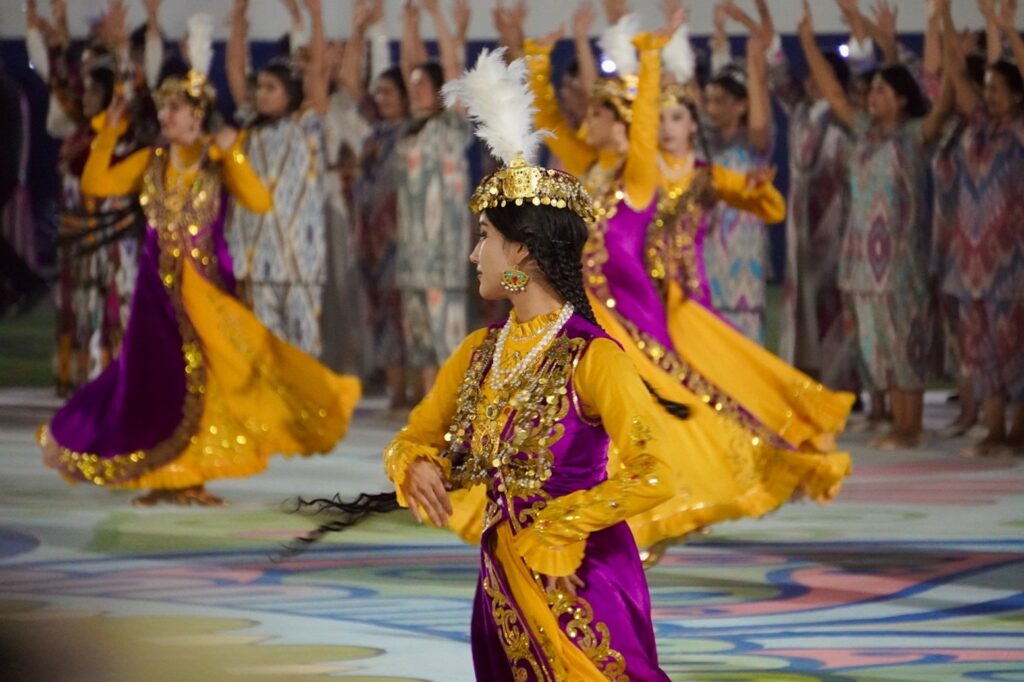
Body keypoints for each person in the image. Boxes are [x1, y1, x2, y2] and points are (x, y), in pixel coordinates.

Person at [522, 12, 852, 560]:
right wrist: (537, 61)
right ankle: (586, 510)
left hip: (637, 314)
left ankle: (648, 518)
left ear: (625, 122)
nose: (590, 120)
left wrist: (650, 58)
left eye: (600, 113)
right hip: (596, 311)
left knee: (657, 414)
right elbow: (553, 122)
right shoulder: (595, 165)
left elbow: (650, 128)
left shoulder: (639, 176)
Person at [385, 49, 672, 679]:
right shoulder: (479, 352)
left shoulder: (593, 358)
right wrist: (416, 465)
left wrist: (565, 520)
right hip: (501, 579)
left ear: (524, 254)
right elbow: (416, 434)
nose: (473, 254)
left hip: (583, 581)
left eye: (486, 236)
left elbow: (655, 474)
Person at [38, 16, 360, 506]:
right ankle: (162, 473)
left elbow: (258, 201)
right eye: (164, 109)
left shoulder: (215, 159)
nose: (165, 117)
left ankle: (186, 475)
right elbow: (95, 185)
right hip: (154, 293)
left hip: (206, 292)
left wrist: (232, 155)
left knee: (213, 382)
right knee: (150, 380)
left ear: (197, 117)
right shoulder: (151, 160)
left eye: (175, 110)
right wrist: (108, 131)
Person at [800, 0, 953, 448]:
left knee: (906, 341)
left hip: (901, 261)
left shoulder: (915, 135)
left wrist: (940, 22)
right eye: (873, 91)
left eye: (884, 91)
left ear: (903, 99)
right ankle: (896, 421)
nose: (873, 97)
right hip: (861, 260)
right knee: (876, 344)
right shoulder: (864, 133)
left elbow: (944, 101)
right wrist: (807, 41)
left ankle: (911, 426)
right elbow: (833, 93)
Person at [226, 0, 329, 358]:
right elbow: (236, 70)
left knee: (303, 351)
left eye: (271, 87)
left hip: (301, 258)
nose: (260, 94)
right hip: (254, 259)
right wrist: (238, 18)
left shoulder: (307, 126)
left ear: (290, 93)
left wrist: (316, 18)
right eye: (260, 88)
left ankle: (303, 413)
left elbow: (317, 73)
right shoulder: (248, 125)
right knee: (261, 350)